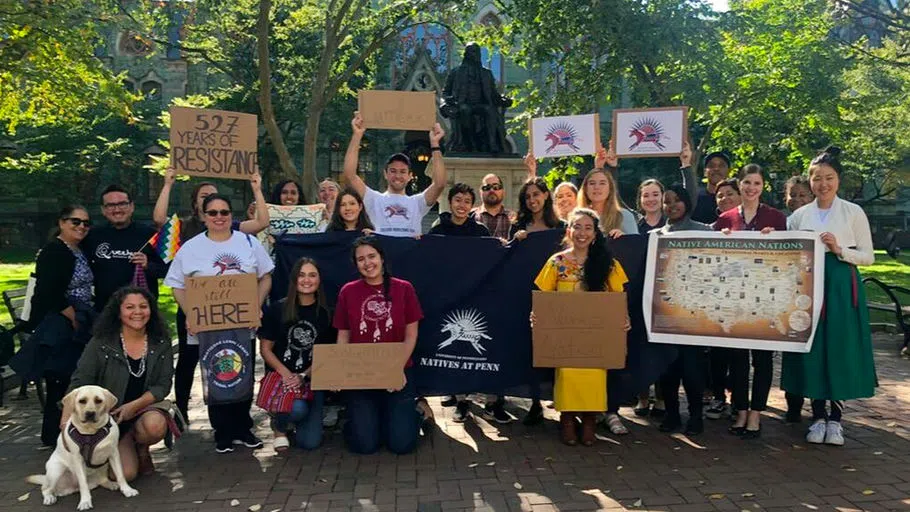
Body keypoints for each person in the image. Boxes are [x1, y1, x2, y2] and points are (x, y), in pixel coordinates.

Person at [153, 168, 269, 422]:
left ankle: (242, 422)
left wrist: (257, 188)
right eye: (210, 206)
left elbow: (262, 227)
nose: (218, 215)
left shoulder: (242, 238)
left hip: (239, 319)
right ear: (200, 209)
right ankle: (189, 414)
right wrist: (167, 184)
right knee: (194, 362)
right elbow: (160, 222)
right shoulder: (185, 232)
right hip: (201, 317)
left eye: (223, 210)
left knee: (240, 364)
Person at [782, 147, 876, 447]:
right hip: (808, 282)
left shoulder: (852, 212)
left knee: (838, 346)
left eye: (829, 178)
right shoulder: (798, 216)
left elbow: (868, 257)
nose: (823, 184)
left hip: (839, 281)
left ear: (838, 180)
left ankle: (836, 419)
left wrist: (840, 250)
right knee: (812, 347)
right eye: (817, 178)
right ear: (810, 182)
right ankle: (817, 415)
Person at [533, 208, 630, 446]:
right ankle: (567, 419)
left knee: (595, 376)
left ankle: (589, 421)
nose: (582, 232)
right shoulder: (556, 262)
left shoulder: (608, 263)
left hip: (596, 335)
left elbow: (618, 297)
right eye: (577, 227)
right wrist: (537, 317)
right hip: (564, 335)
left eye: (588, 228)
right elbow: (543, 296)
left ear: (596, 233)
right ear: (569, 231)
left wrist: (623, 318)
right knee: (567, 375)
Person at [64, 287, 174, 480]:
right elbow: (80, 380)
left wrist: (134, 406)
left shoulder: (160, 342)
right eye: (129, 307)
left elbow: (162, 386)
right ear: (118, 312)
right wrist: (65, 423)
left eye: (143, 306)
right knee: (126, 475)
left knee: (155, 426)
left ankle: (141, 446)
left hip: (142, 409)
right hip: (109, 416)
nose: (137, 312)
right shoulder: (101, 343)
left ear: (151, 310)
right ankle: (118, 445)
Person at [714, 164, 787, 439]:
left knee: (763, 359)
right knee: (738, 359)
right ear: (740, 184)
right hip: (735, 298)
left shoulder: (776, 218)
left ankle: (757, 413)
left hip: (766, 298)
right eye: (747, 183)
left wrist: (775, 240)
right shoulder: (725, 219)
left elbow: (787, 256)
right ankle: (741, 410)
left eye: (756, 183)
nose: (751, 188)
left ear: (763, 186)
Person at [333, 237, 423, 454]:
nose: (367, 263)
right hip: (362, 373)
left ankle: (418, 414)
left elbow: (411, 335)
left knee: (402, 445)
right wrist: (339, 370)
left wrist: (396, 369)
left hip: (398, 370)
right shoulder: (348, 291)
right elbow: (343, 335)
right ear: (356, 264)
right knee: (365, 445)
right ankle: (360, 422)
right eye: (361, 259)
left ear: (382, 258)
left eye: (372, 256)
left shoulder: (404, 288)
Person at [24, 206, 96, 446]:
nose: (81, 227)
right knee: (60, 377)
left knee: (72, 376)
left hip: (80, 316)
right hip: (62, 321)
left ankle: (69, 430)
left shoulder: (77, 249)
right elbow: (48, 291)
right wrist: (72, 316)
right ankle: (53, 435)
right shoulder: (54, 251)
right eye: (75, 221)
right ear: (62, 222)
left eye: (86, 223)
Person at [258, 258, 335, 451]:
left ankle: (296, 419)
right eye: (301, 275)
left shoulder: (327, 314)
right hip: (281, 378)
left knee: (309, 443)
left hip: (311, 380)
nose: (306, 280)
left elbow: (327, 355)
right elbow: (265, 349)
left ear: (319, 280)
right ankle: (279, 425)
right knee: (298, 409)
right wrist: (287, 375)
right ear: (293, 279)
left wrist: (303, 375)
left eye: (312, 275)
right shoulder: (277, 309)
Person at [653, 185, 712, 435]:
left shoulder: (705, 231)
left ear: (686, 202)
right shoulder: (656, 235)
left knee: (692, 370)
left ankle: (696, 415)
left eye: (677, 200)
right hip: (664, 313)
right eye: (667, 201)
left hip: (693, 314)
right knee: (668, 369)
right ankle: (672, 414)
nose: (672, 205)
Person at [343, 113, 446, 237]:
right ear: (385, 174)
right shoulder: (374, 199)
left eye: (403, 172)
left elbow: (439, 184)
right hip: (383, 254)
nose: (398, 176)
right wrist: (357, 135)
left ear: (409, 176)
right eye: (393, 171)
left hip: (409, 254)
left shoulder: (417, 203)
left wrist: (435, 144)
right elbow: (350, 175)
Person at [82, 185, 167, 312]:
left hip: (141, 312)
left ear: (132, 206)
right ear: (103, 210)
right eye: (110, 205)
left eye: (122, 204)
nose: (117, 209)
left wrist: (147, 265)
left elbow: (168, 270)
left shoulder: (150, 234)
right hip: (104, 311)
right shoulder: (91, 236)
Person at [782, 175, 814, 423]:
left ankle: (819, 401)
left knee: (815, 349)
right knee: (792, 348)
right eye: (793, 195)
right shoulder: (785, 223)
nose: (797, 199)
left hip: (814, 291)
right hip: (790, 294)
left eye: (803, 195)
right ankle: (793, 404)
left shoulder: (819, 219)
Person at [691, 151, 731, 223]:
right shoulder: (694, 199)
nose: (716, 169)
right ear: (705, 172)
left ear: (729, 171)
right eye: (711, 166)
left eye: (721, 165)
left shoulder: (737, 199)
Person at [472, 173, 514, 241]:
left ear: (503, 191)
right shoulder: (470, 216)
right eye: (487, 188)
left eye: (496, 187)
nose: (492, 190)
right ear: (480, 192)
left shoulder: (513, 218)